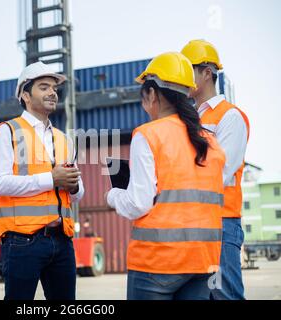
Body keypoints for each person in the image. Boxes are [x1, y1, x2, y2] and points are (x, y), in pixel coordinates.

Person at [106, 52, 226, 300]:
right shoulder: (211, 142)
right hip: (205, 261)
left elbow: (138, 203)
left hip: (158, 262)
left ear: (152, 95)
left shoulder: (148, 134)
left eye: (144, 99)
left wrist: (114, 195)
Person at [0, 61, 84, 300]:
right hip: (22, 242)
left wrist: (73, 185)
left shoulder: (64, 139)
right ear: (25, 95)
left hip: (62, 241)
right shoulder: (6, 132)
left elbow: (78, 192)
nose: (52, 92)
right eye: (43, 87)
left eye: (54, 88)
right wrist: (51, 179)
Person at [181, 39, 250, 300]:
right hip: (196, 222)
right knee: (204, 295)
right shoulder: (192, 118)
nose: (184, 80)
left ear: (207, 73)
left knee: (224, 295)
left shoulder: (229, 116)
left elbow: (220, 171)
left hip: (221, 222)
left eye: (190, 72)